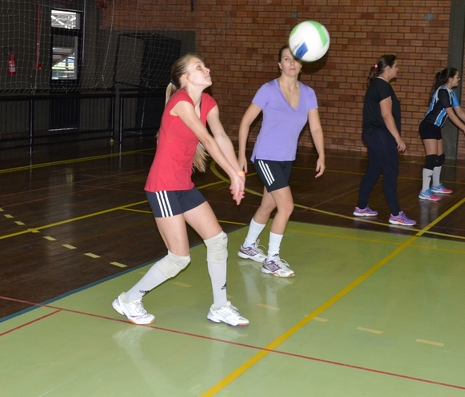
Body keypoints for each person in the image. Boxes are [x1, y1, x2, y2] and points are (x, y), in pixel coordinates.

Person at [111, 54, 249, 327]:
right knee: (179, 257)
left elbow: (221, 136)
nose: (207, 69)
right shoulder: (180, 102)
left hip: (183, 185)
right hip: (162, 187)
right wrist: (232, 174)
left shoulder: (207, 103)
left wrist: (239, 174)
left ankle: (220, 307)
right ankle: (129, 299)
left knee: (218, 240)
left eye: (205, 65)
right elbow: (206, 139)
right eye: (199, 67)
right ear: (185, 78)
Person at [236, 45, 325, 278]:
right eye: (286, 59)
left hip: (287, 158)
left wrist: (321, 154)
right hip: (266, 157)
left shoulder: (308, 93)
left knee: (268, 205)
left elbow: (315, 127)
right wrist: (241, 155)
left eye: (295, 59)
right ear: (280, 65)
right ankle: (272, 259)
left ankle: (248, 246)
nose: (291, 63)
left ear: (302, 65)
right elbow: (245, 122)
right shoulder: (267, 90)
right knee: (286, 206)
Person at [352, 54, 415, 226]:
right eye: (396, 66)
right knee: (391, 173)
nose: (398, 69)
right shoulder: (383, 86)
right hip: (381, 136)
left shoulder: (376, 85)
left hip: (372, 135)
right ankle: (396, 214)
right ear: (387, 69)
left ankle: (361, 207)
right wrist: (398, 138)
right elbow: (386, 115)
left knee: (374, 170)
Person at [418, 67, 465, 201]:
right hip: (428, 126)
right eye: (457, 76)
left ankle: (436, 185)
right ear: (450, 78)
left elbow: (459, 112)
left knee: (440, 158)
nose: (459, 79)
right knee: (432, 158)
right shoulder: (442, 92)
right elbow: (451, 115)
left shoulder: (451, 93)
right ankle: (424, 191)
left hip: (435, 128)